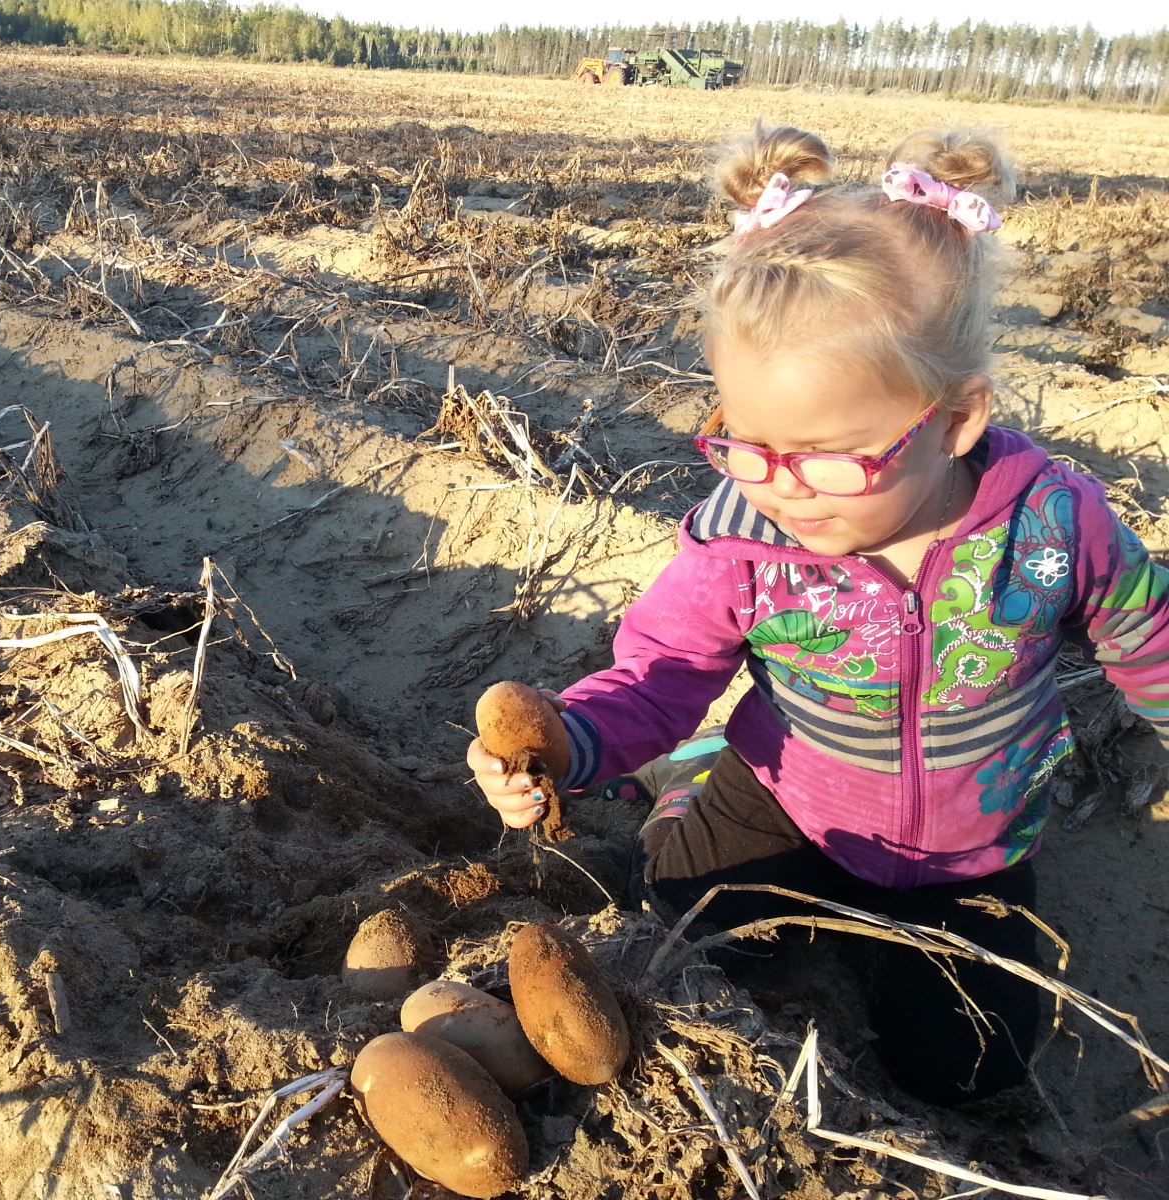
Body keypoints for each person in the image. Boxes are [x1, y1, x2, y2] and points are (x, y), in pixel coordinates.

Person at [468, 123, 1169, 1106]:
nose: (779, 487)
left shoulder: (1051, 519)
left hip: (975, 848)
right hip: (787, 800)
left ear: (955, 420)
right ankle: (686, 789)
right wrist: (568, 743)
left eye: (826, 455)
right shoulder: (744, 532)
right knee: (682, 959)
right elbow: (663, 668)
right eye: (745, 443)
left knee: (965, 1067)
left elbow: (1145, 631)